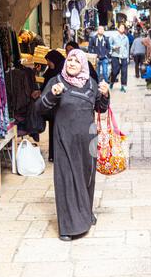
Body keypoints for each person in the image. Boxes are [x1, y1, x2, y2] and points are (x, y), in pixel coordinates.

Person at [36, 49, 110, 241]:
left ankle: (86, 213)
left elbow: (100, 109)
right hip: (64, 140)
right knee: (67, 179)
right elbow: (40, 108)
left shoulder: (91, 84)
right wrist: (52, 95)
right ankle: (68, 227)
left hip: (88, 140)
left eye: (77, 61)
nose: (72, 64)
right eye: (70, 60)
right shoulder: (56, 82)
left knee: (87, 178)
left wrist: (105, 94)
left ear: (83, 64)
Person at [42, 50, 66, 162]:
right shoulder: (51, 72)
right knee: (53, 131)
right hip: (53, 109)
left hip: (60, 108)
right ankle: (53, 155)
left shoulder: (60, 72)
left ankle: (60, 155)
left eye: (49, 61)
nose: (48, 64)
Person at [110, 24, 129, 93]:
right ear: (118, 28)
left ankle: (123, 86)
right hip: (115, 56)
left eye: (123, 28)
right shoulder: (114, 36)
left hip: (123, 56)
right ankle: (112, 82)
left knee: (124, 72)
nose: (122, 29)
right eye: (121, 27)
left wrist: (127, 58)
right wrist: (113, 47)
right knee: (115, 71)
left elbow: (127, 48)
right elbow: (109, 44)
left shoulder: (126, 38)